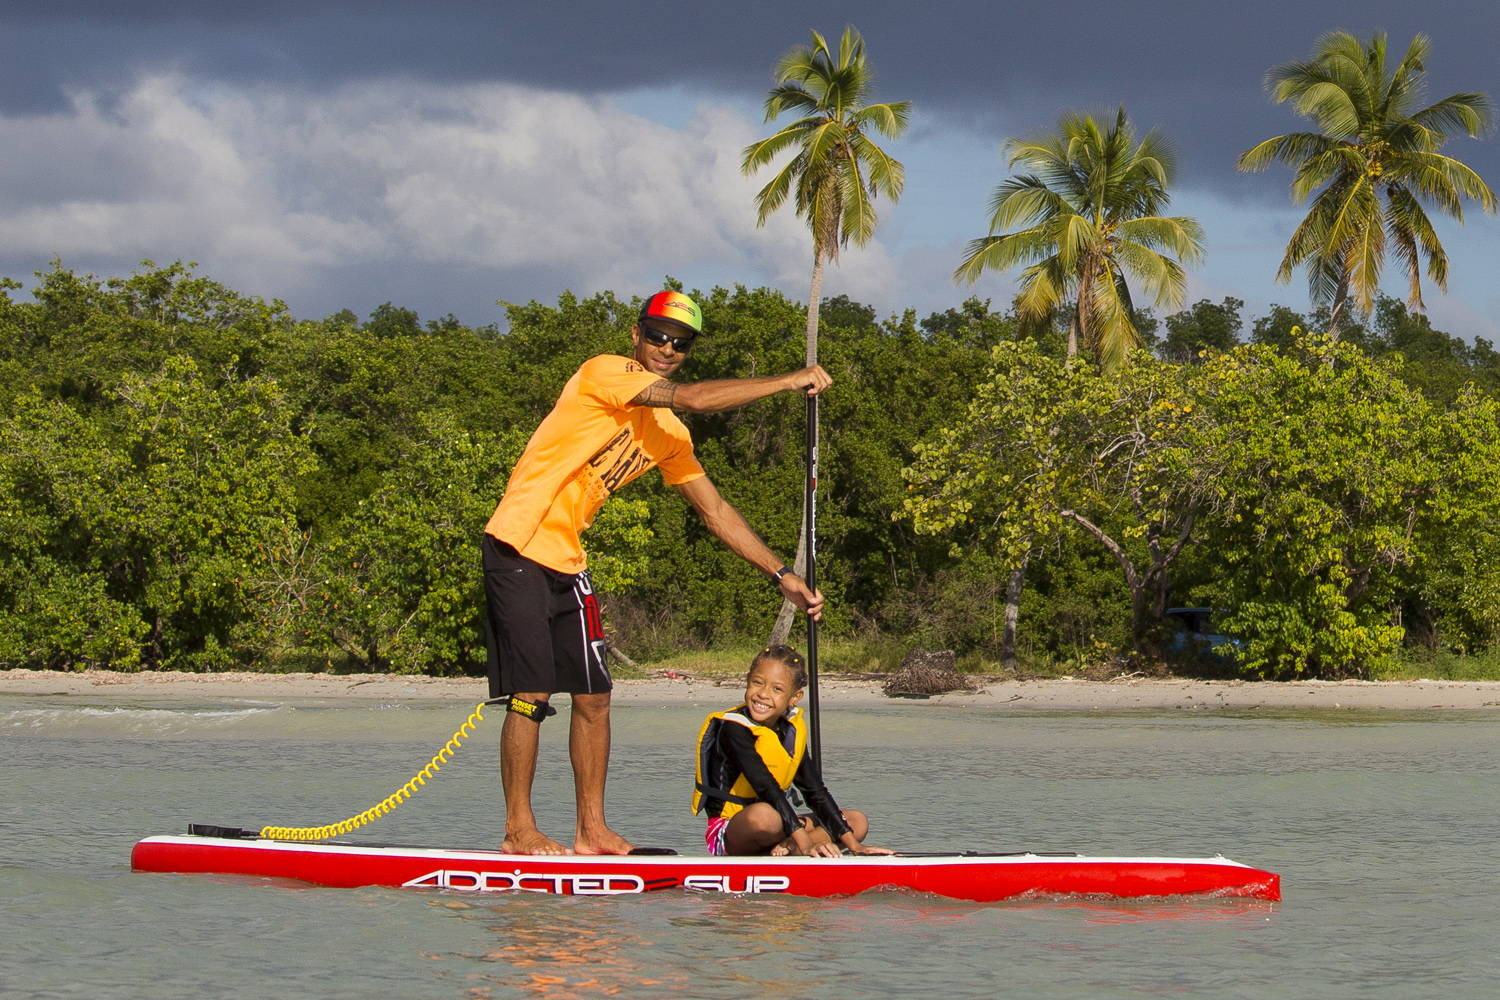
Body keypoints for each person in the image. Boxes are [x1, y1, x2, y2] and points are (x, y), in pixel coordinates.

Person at [482, 289, 830, 857]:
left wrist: (780, 574)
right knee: (532, 693)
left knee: (595, 697)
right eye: (657, 335)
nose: (667, 348)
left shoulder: (669, 435)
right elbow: (691, 398)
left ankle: (591, 829)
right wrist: (788, 381)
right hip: (517, 545)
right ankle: (518, 829)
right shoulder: (607, 373)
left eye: (681, 342)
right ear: (636, 336)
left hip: (568, 559)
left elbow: (714, 513)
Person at [692, 644, 891, 857]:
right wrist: (806, 844)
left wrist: (854, 846)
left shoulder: (789, 733)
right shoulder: (733, 729)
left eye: (777, 689)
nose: (763, 694)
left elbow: (815, 792)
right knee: (765, 816)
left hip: (782, 822)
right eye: (757, 683)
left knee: (856, 821)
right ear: (747, 681)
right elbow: (766, 788)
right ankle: (800, 847)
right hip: (732, 831)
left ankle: (789, 848)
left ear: (794, 697)